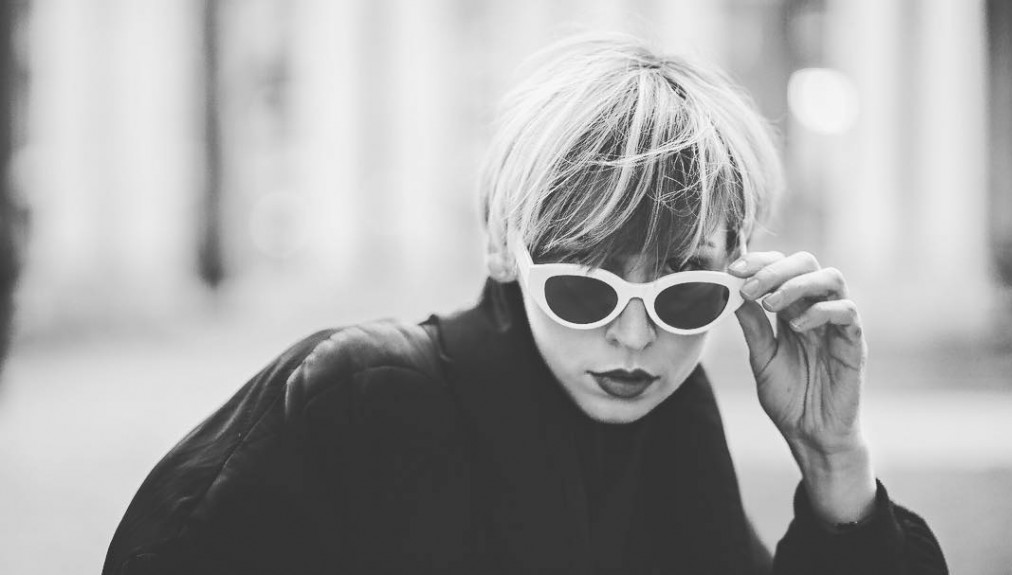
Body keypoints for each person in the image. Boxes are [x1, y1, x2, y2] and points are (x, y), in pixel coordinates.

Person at [104, 34, 948, 574]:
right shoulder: (357, 393)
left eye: (685, 292)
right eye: (586, 284)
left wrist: (834, 461)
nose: (633, 334)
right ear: (506, 246)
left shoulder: (671, 417)